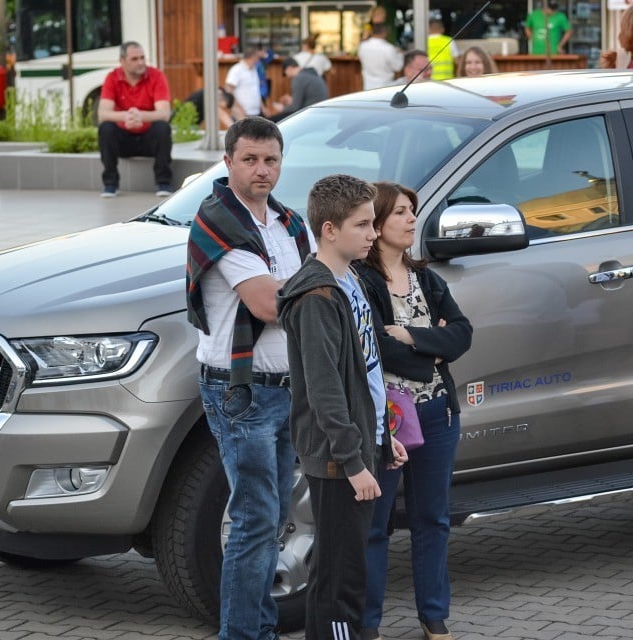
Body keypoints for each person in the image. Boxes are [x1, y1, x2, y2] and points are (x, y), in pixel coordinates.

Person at [185, 116, 315, 640]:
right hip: (240, 392)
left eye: (271, 160)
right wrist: (313, 290)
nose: (262, 170)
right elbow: (268, 303)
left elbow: (306, 288)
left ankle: (257, 628)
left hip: (285, 389)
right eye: (250, 160)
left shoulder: (287, 222)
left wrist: (306, 288)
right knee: (256, 521)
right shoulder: (218, 220)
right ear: (228, 162)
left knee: (272, 519)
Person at [277, 174, 408, 640]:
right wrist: (353, 461)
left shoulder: (349, 280)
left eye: (373, 224)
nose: (374, 234)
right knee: (340, 579)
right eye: (363, 225)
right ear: (329, 229)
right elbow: (325, 388)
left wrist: (383, 437)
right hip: (337, 460)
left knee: (344, 571)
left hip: (361, 444)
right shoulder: (317, 297)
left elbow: (365, 374)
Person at [355, 182, 473, 640]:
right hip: (388, 419)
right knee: (376, 524)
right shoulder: (362, 281)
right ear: (378, 222)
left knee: (432, 519)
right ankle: (367, 624)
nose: (411, 220)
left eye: (412, 211)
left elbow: (462, 334)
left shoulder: (427, 277)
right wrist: (432, 349)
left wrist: (410, 337)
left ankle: (433, 616)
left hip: (438, 413)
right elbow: (375, 350)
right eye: (401, 212)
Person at [97, 41, 172, 198]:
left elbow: (164, 112)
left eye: (142, 58)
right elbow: (102, 113)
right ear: (122, 61)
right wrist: (126, 117)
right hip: (123, 139)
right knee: (106, 128)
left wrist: (141, 116)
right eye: (135, 59)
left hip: (148, 139)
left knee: (162, 127)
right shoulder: (112, 78)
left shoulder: (156, 76)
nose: (141, 62)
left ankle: (163, 182)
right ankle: (110, 184)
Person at [358, 22, 404, 90]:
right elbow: (398, 67)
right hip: (385, 86)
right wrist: (400, 54)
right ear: (384, 33)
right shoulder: (388, 48)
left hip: (367, 86)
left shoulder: (362, 46)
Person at [182, 87, 246, 130]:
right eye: (222, 107)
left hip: (190, 123)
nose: (222, 109)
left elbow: (232, 111)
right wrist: (235, 130)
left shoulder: (217, 92)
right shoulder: (213, 95)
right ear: (223, 100)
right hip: (182, 120)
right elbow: (223, 115)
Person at [226, 47, 264, 117]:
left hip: (256, 113)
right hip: (242, 114)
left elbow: (256, 91)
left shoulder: (254, 69)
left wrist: (263, 108)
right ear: (253, 57)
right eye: (257, 57)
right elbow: (228, 91)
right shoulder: (236, 69)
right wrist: (238, 108)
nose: (258, 60)